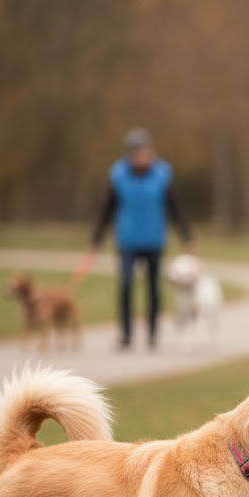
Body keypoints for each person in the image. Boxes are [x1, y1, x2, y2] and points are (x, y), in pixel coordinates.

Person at [78, 128, 194, 350]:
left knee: (153, 288)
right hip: (127, 239)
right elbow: (107, 208)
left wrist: (186, 236)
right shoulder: (118, 175)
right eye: (138, 152)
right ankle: (126, 334)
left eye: (146, 151)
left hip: (154, 239)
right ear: (130, 154)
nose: (142, 156)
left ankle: (152, 333)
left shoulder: (162, 174)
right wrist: (96, 239)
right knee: (126, 285)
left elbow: (175, 207)